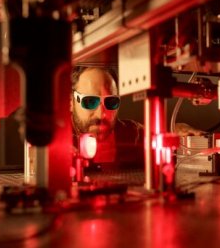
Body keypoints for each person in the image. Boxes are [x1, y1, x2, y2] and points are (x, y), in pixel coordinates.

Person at [70, 65, 204, 170]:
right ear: (70, 102)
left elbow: (156, 137)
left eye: (111, 102)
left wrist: (176, 129)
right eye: (90, 102)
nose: (101, 114)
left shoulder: (130, 135)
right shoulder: (58, 144)